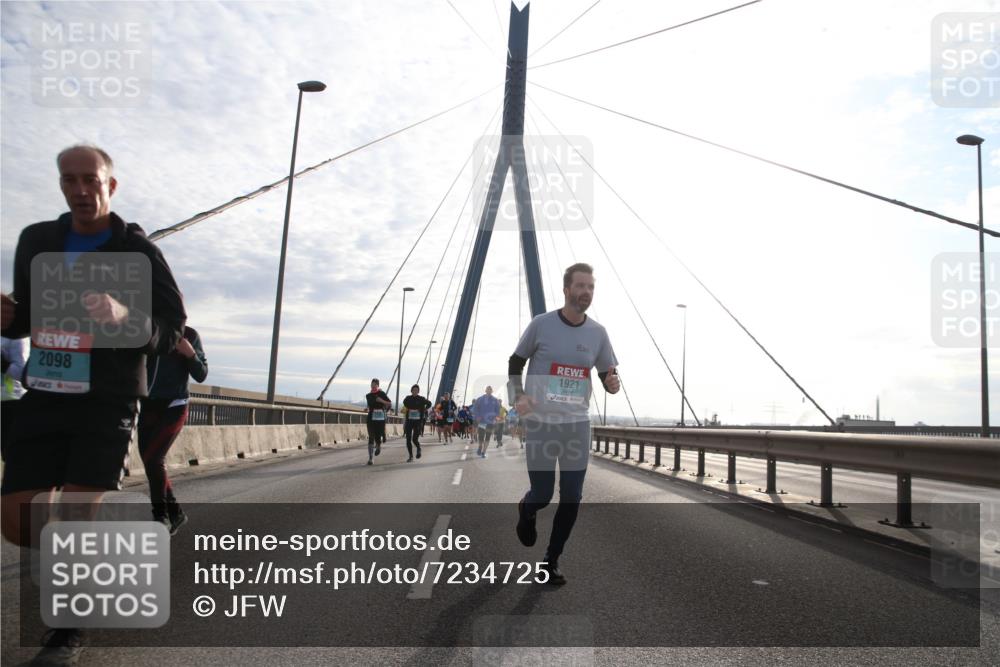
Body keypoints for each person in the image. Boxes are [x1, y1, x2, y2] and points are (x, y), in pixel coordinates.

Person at [0, 144, 186, 665]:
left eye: (91, 180)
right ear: (61, 184)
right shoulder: (37, 240)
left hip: (106, 400)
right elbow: (27, 318)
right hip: (45, 393)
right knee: (15, 522)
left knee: (77, 516)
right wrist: (8, 318)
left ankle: (67, 631)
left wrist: (125, 316)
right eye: (69, 180)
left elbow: (170, 329)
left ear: (111, 184)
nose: (80, 190)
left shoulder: (140, 253)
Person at [508, 263, 620, 586]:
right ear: (567, 289)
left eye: (591, 287)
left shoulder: (598, 333)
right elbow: (516, 361)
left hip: (576, 425)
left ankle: (550, 561)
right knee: (543, 494)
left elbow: (607, 374)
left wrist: (612, 384)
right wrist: (519, 396)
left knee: (572, 496)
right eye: (580, 286)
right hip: (542, 423)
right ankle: (527, 509)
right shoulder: (541, 325)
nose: (586, 292)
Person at [139, 325, 207, 534]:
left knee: (154, 459)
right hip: (146, 405)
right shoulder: (141, 331)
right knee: (150, 463)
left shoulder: (189, 335)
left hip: (175, 405)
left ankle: (161, 516)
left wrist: (191, 354)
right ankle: (175, 512)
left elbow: (201, 374)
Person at [1, 335, 29, 460]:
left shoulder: (17, 337)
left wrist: (2, 364)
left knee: (11, 456)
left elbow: (22, 373)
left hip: (9, 402)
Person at [401, 384, 432, 462]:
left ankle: (418, 448)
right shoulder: (408, 399)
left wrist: (424, 409)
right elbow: (405, 403)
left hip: (418, 422)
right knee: (408, 439)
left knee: (414, 439)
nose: (415, 391)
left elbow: (429, 403)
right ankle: (410, 456)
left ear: (418, 391)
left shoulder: (421, 399)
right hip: (409, 421)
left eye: (416, 390)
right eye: (414, 390)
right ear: (411, 391)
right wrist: (410, 409)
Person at [365, 378, 392, 464]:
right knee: (371, 437)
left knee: (378, 435)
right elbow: (371, 404)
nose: (373, 386)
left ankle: (379, 446)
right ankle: (371, 458)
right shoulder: (368, 395)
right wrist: (367, 408)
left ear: (377, 385)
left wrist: (382, 401)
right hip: (371, 418)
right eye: (371, 384)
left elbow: (389, 403)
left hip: (380, 418)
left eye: (374, 384)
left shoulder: (382, 393)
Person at [471, 385, 500, 459]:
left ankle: (483, 452)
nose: (489, 391)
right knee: (481, 437)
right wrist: (477, 416)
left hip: (490, 422)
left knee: (487, 437)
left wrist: (495, 418)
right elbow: (475, 409)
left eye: (490, 389)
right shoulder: (480, 399)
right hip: (482, 422)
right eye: (488, 389)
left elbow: (497, 411)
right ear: (485, 391)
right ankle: (480, 446)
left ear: (492, 391)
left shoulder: (495, 400)